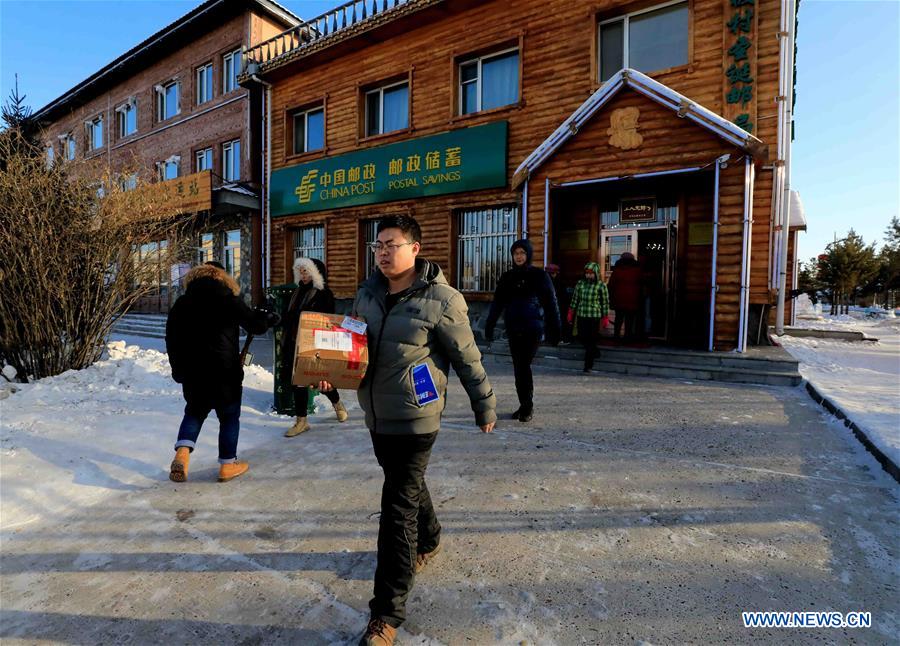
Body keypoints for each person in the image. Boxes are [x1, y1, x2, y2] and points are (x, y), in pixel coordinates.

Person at [317, 215, 496, 646]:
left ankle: (386, 614)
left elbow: (468, 358)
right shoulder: (366, 293)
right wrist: (330, 372)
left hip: (417, 416)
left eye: (391, 244)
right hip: (376, 415)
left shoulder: (442, 299)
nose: (382, 252)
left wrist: (484, 403)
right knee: (406, 486)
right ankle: (430, 537)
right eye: (377, 245)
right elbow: (350, 345)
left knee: (396, 509)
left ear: (415, 248)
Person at [165, 261, 279, 482]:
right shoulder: (229, 299)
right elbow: (255, 325)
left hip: (193, 372)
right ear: (223, 277)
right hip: (224, 372)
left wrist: (178, 369)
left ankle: (182, 453)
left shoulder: (182, 303)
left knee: (194, 412)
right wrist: (268, 318)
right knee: (229, 416)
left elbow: (172, 339)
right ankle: (228, 464)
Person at [484, 239, 560, 422]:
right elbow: (497, 303)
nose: (519, 256)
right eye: (516, 253)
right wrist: (490, 324)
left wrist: (555, 330)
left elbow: (551, 303)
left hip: (532, 328)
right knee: (519, 368)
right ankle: (524, 404)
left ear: (528, 255)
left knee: (523, 366)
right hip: (513, 327)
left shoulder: (539, 276)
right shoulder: (507, 277)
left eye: (522, 253)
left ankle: (527, 407)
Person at [280, 256, 349, 437]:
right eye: (301, 271)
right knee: (299, 382)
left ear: (316, 273)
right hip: (294, 343)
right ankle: (301, 421)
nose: (303, 275)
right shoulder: (296, 293)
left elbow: (326, 319)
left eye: (307, 271)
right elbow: (288, 314)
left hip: (315, 344)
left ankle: (337, 403)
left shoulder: (323, 293)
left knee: (321, 380)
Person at [567, 261, 609, 373]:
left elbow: (605, 302)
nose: (589, 275)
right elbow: (575, 299)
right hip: (582, 314)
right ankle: (595, 351)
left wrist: (605, 317)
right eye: (587, 273)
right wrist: (571, 312)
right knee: (582, 336)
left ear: (595, 273)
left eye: (591, 273)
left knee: (591, 340)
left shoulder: (601, 285)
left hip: (594, 315)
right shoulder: (580, 284)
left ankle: (588, 365)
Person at [607, 251, 642, 341]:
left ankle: (616, 337)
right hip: (633, 299)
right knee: (629, 321)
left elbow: (610, 286)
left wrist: (611, 298)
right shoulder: (637, 271)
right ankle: (627, 338)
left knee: (618, 319)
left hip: (619, 299)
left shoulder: (616, 271)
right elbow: (641, 285)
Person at [545, 263, 571, 342]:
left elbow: (563, 297)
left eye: (552, 273)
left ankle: (558, 338)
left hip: (559, 306)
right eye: (549, 273)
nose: (551, 275)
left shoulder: (559, 283)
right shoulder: (546, 282)